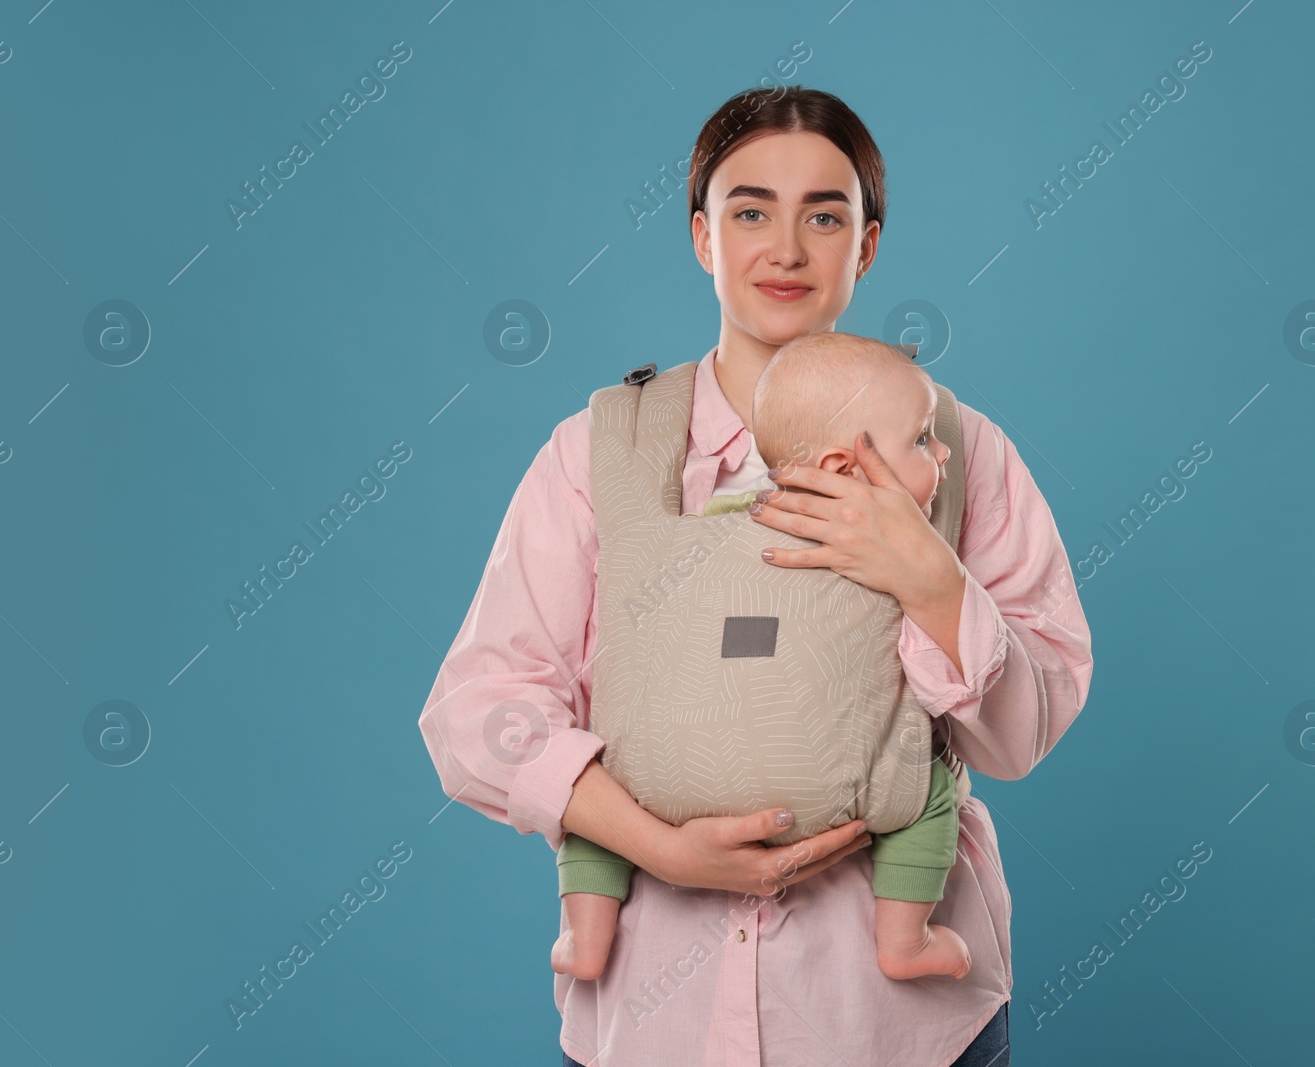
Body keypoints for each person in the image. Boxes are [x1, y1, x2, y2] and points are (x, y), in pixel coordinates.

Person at [417, 85, 1093, 1067]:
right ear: (701, 235)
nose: (786, 247)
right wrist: (656, 846)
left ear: (864, 247)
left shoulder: (955, 450)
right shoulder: (600, 453)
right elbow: (479, 710)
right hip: (653, 1024)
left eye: (825, 214)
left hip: (890, 1028)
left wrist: (927, 576)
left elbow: (1025, 731)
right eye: (749, 211)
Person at [552, 332, 972, 986]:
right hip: (837, 796)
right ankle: (905, 940)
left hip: (654, 786)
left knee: (596, 785)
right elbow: (929, 678)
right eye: (923, 440)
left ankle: (586, 934)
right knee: (933, 778)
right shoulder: (894, 551)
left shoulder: (712, 514)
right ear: (841, 467)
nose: (943, 449)